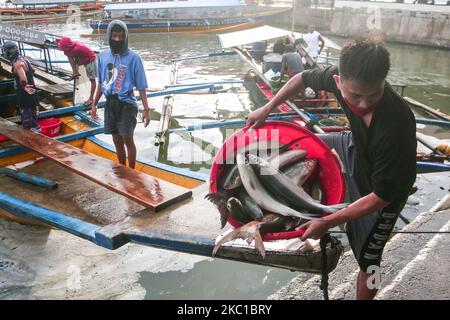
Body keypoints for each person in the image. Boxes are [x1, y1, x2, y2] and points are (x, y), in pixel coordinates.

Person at [246, 38, 417, 300]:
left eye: (374, 94)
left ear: (383, 82)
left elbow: (381, 196)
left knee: (370, 259)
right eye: (355, 96)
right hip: (356, 146)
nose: (363, 104)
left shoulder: (396, 125)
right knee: (292, 146)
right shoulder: (334, 78)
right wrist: (267, 108)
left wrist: (328, 221)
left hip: (385, 193)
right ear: (338, 82)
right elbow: (302, 78)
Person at [91, 20, 151, 169]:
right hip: (110, 103)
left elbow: (141, 87)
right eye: (114, 36)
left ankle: (131, 171)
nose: (117, 39)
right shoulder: (103, 56)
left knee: (127, 140)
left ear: (125, 37)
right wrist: (94, 104)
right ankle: (122, 168)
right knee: (116, 139)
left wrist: (146, 109)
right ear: (109, 36)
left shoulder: (134, 58)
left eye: (120, 36)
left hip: (127, 104)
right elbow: (101, 82)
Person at [1, 41, 40, 131]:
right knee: (33, 118)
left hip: (25, 96)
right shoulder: (24, 59)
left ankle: (34, 140)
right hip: (32, 94)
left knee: (29, 123)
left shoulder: (17, 63)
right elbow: (33, 70)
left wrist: (24, 86)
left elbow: (23, 79)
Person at [57, 37, 98, 106]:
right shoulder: (72, 47)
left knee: (92, 80)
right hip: (82, 58)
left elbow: (70, 56)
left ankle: (91, 98)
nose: (61, 49)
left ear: (67, 46)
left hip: (90, 60)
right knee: (69, 56)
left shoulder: (76, 49)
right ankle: (75, 72)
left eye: (62, 47)